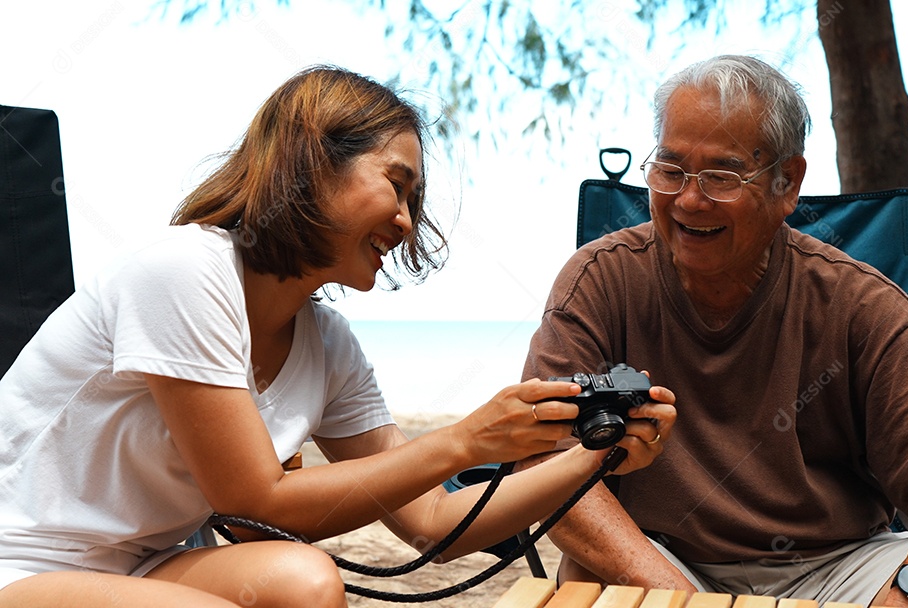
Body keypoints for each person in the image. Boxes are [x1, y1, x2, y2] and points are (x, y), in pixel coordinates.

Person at [0, 65, 676, 608]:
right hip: (23, 562)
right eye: (397, 186)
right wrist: (469, 438)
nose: (409, 222)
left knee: (307, 580)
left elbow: (434, 528)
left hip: (151, 563)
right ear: (313, 163)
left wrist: (594, 457)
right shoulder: (183, 270)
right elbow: (253, 501)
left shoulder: (325, 343)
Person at [521, 55, 908, 608]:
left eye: (722, 176)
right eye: (671, 169)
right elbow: (545, 457)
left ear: (787, 184)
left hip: (834, 566)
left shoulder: (858, 300)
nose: (688, 200)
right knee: (585, 568)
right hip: (661, 559)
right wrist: (685, 599)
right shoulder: (600, 280)